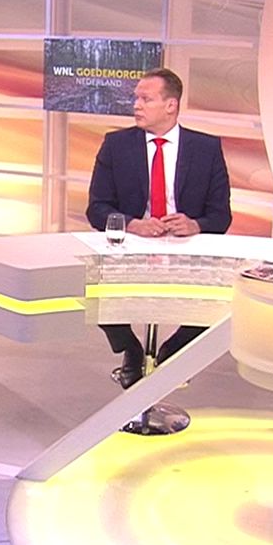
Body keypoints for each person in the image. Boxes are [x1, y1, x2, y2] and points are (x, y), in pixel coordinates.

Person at [85, 67, 232, 388]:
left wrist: (195, 224)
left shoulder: (205, 149)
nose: (136, 105)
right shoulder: (116, 145)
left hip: (185, 248)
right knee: (90, 282)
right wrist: (133, 224)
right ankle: (130, 348)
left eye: (145, 99)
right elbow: (97, 209)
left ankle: (173, 351)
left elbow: (221, 216)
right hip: (132, 245)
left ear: (171, 105)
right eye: (136, 98)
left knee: (226, 294)